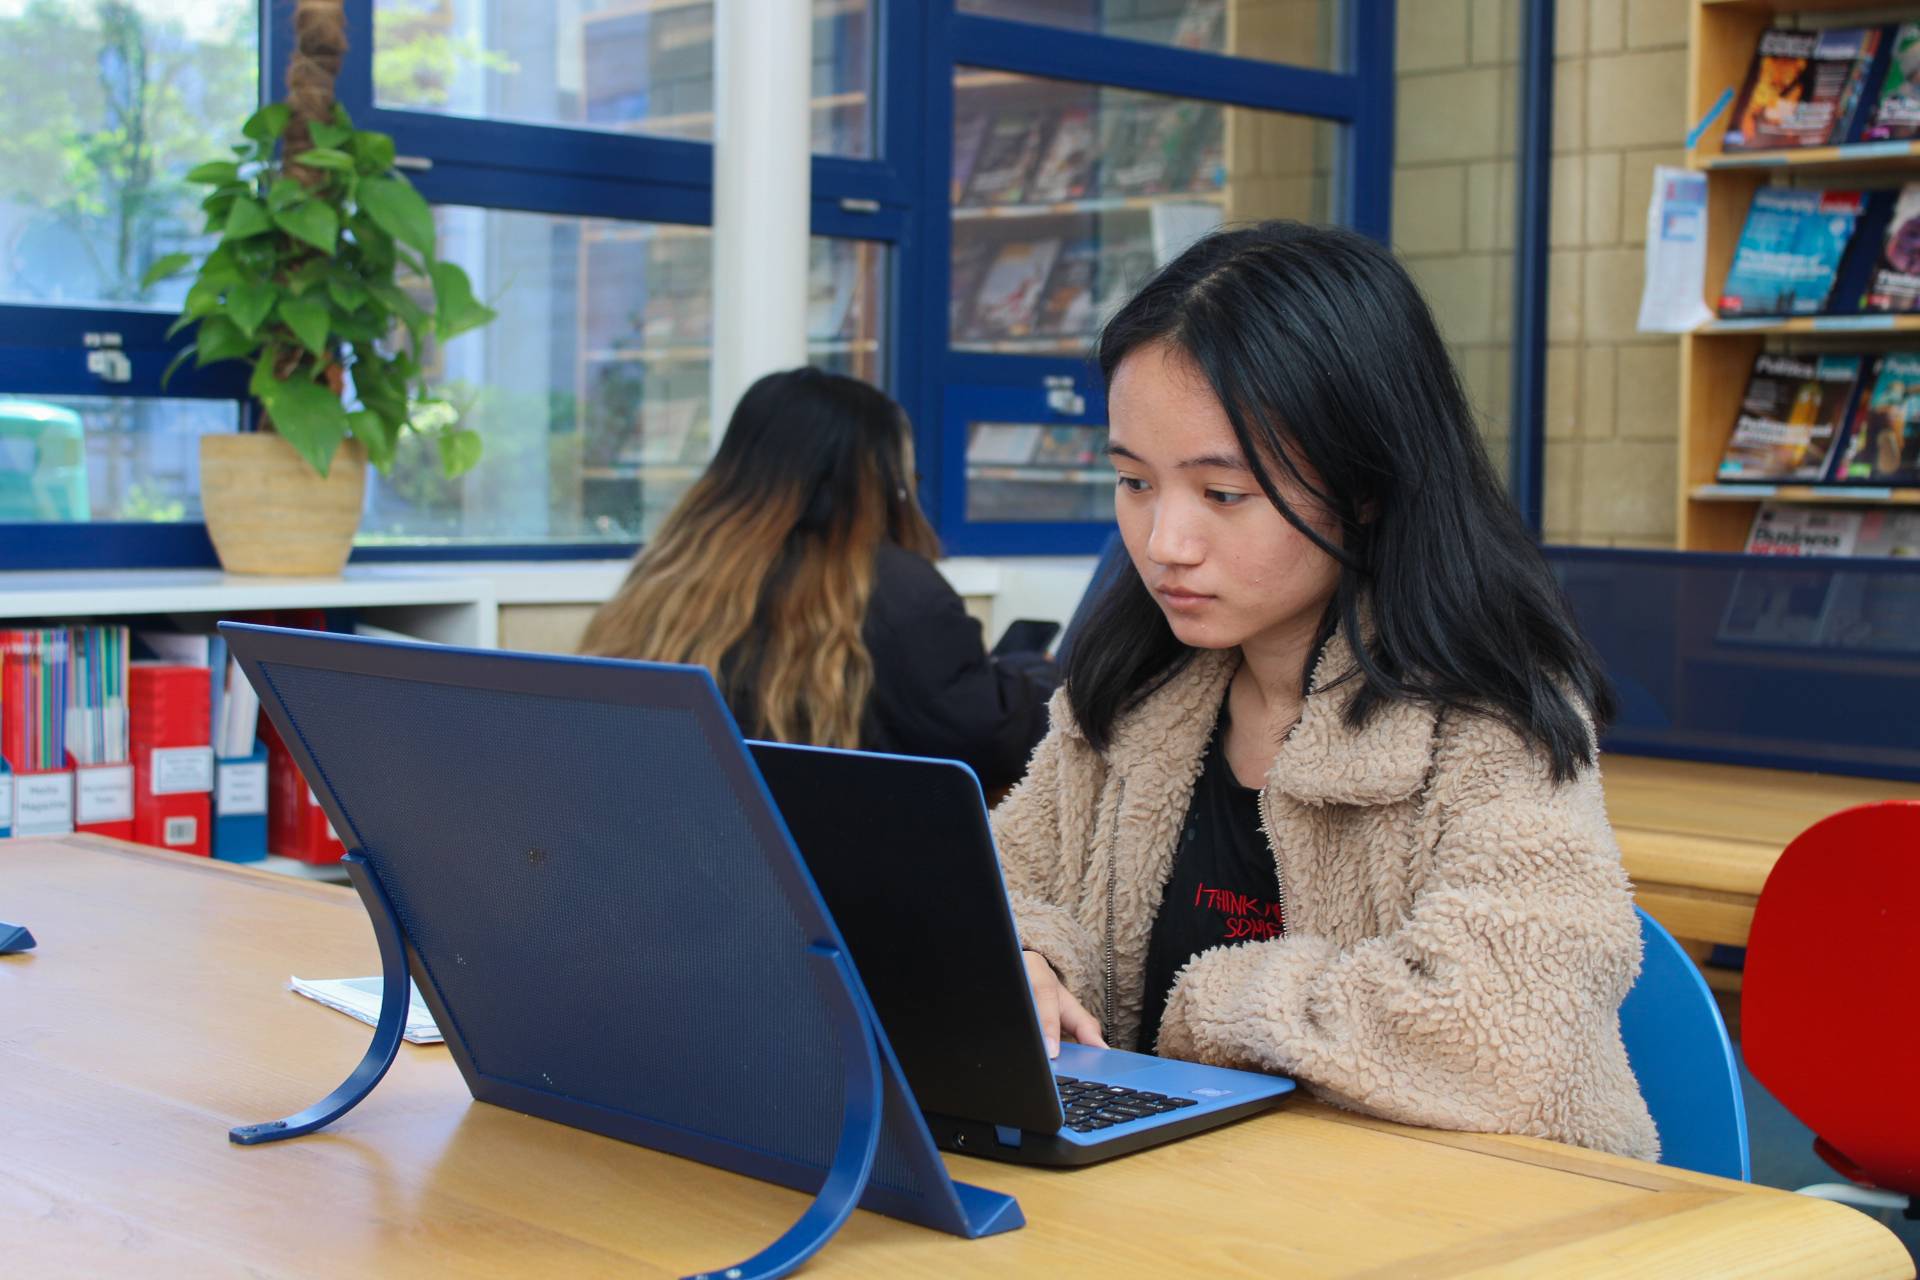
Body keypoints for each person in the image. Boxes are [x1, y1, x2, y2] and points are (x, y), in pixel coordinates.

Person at [995, 221, 1659, 1161]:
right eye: (1134, 481)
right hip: (1195, 1204)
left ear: (1369, 484)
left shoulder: (1486, 715)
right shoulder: (1132, 691)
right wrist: (1024, 957)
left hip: (1452, 1220)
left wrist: (1212, 1008)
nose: (1163, 541)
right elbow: (1001, 883)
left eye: (1223, 494)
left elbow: (1506, 1026)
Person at [580, 366, 1054, 792]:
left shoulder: (667, 577)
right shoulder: (894, 589)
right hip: (828, 876)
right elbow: (994, 745)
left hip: (673, 863)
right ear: (876, 481)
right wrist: (1047, 674)